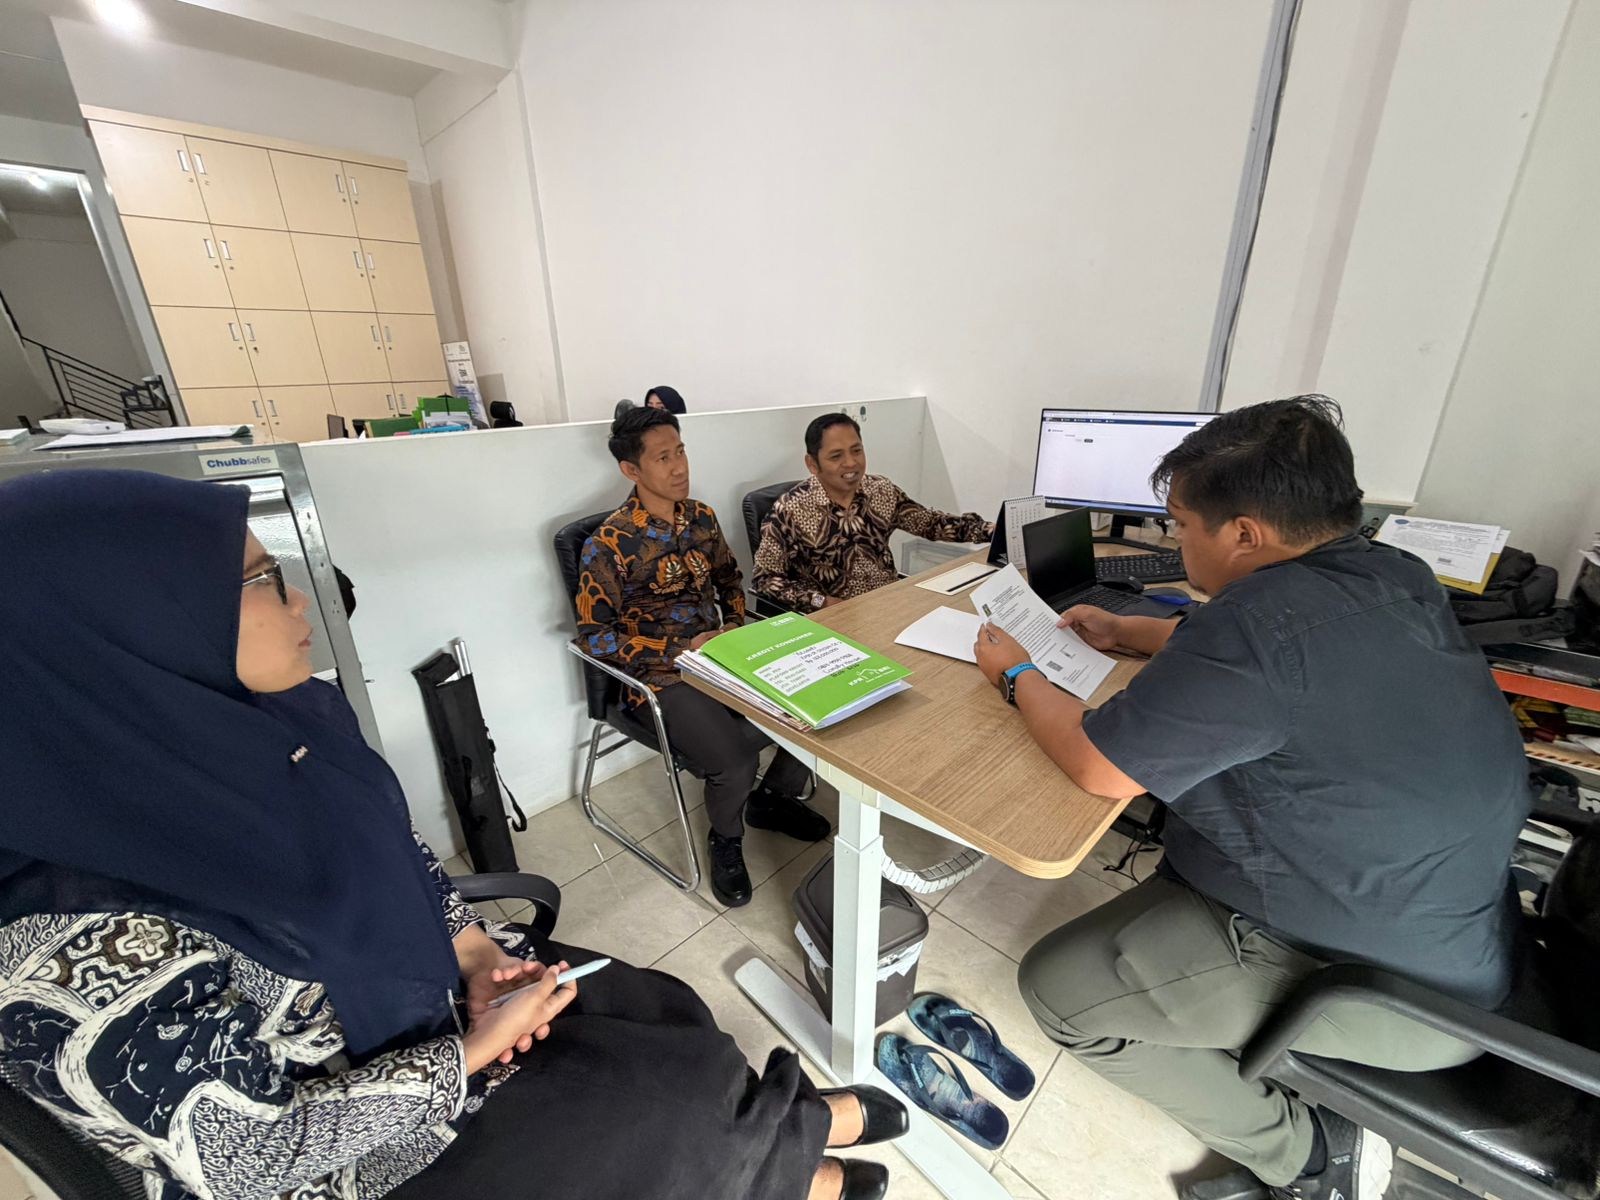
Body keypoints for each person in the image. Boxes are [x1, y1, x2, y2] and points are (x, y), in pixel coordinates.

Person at [0, 469, 907, 1200]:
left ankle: (784, 1137)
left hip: (434, 986)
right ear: (129, 624)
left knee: (657, 1009)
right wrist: (468, 1051)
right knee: (648, 1110)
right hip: (365, 1144)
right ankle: (796, 1163)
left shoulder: (288, 722)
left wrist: (473, 951)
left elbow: (395, 850)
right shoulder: (63, 935)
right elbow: (248, 1158)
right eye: (262, 580)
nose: (303, 602)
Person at [971, 396, 1529, 1200]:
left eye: (1180, 526)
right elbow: (1285, 657)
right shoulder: (1390, 572)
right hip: (1457, 924)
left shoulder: (1257, 626)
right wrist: (1128, 632)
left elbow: (1099, 766)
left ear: (1243, 534)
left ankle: (1307, 1158)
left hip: (1388, 987)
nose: (1176, 542)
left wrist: (1016, 675)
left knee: (1058, 992)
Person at [576, 407, 827, 907]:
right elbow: (593, 638)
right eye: (663, 458)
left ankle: (772, 798)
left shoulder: (701, 517)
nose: (679, 467)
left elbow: (731, 582)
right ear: (631, 469)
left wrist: (732, 627)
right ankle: (726, 839)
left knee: (812, 708)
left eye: (681, 451)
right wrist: (677, 650)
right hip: (661, 676)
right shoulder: (607, 545)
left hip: (721, 655)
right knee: (734, 762)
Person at [754, 413, 993, 612]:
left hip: (889, 604)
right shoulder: (790, 509)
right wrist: (821, 602)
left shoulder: (881, 490)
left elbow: (930, 523)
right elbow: (764, 579)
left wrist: (991, 531)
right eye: (836, 456)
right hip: (837, 620)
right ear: (812, 464)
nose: (851, 463)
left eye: (856, 451)